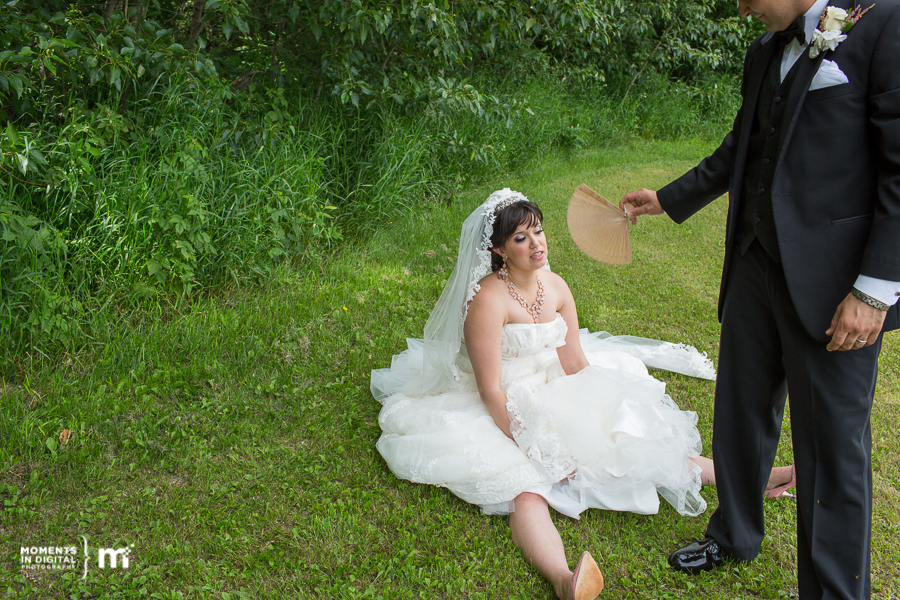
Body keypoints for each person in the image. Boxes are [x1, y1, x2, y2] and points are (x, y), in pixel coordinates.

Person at [371, 189, 794, 599]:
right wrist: (533, 444)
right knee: (524, 487)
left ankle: (761, 479)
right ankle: (564, 579)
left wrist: (602, 404)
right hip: (504, 400)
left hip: (553, 382)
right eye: (520, 238)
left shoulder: (556, 286)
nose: (536, 244)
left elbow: (574, 361)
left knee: (622, 438)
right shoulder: (487, 299)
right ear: (499, 249)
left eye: (538, 231)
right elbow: (489, 389)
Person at [620, 0, 900, 597]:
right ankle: (734, 534)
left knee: (831, 447)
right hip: (753, 261)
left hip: (836, 287)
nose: (742, 8)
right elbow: (742, 147)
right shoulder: (764, 49)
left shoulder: (884, 23)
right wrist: (668, 199)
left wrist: (874, 291)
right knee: (741, 412)